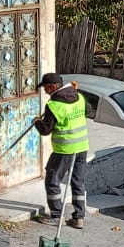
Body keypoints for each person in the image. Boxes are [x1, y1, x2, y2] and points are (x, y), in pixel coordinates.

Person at [33, 73, 88, 230]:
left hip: (65, 148)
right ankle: (79, 217)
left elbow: (45, 130)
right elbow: (88, 111)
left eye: (45, 88)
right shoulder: (79, 96)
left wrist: (37, 121)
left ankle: (57, 216)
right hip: (82, 146)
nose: (45, 92)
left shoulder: (54, 105)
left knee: (52, 179)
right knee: (78, 182)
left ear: (53, 87)